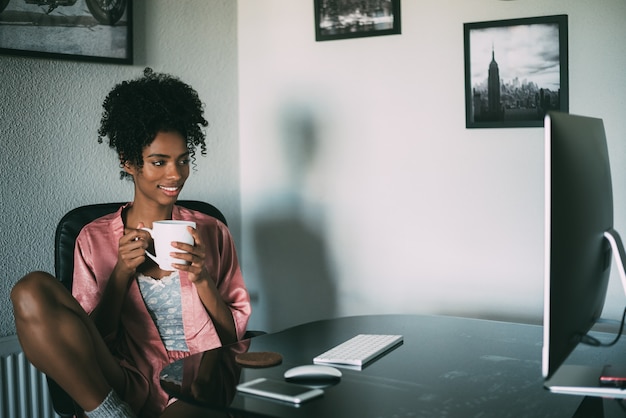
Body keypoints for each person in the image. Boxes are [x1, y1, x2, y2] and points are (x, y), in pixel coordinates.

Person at [10, 68, 252, 418]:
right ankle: (111, 413)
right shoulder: (92, 238)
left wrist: (203, 280)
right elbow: (92, 340)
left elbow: (232, 338)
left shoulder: (211, 231)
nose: (175, 174)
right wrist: (121, 273)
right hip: (125, 376)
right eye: (159, 162)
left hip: (198, 377)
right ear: (128, 161)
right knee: (30, 289)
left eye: (183, 160)